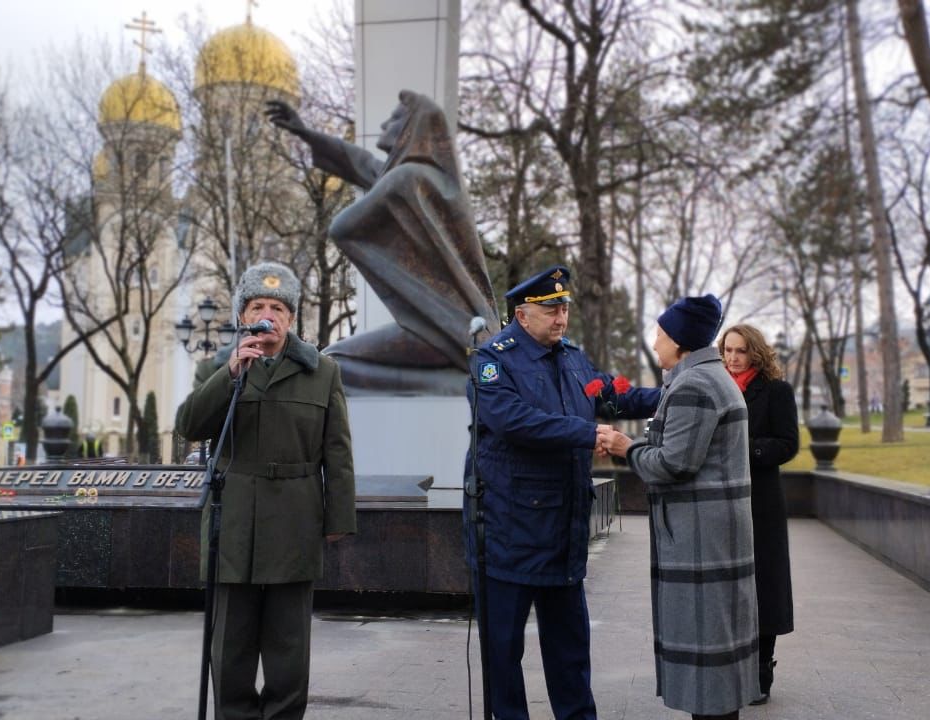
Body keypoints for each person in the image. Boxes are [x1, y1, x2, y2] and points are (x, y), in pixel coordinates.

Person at [467, 265, 659, 720]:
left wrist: (671, 392)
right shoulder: (492, 361)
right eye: (551, 309)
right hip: (508, 531)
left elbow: (612, 392)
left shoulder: (572, 358)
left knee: (570, 651)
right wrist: (585, 432)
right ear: (522, 314)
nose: (561, 318)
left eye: (565, 308)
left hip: (563, 531)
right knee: (503, 653)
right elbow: (512, 420)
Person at [174, 262, 356, 720]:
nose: (268, 315)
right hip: (234, 523)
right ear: (242, 315)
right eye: (258, 305)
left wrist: (339, 520)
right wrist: (231, 373)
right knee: (230, 649)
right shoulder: (218, 369)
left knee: (288, 651)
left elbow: (337, 452)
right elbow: (189, 426)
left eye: (278, 307)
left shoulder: (322, 372)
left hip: (295, 521)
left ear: (292, 319)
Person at [265, 90, 498, 393]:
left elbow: (342, 227)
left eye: (396, 118)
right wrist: (305, 133)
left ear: (410, 129)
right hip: (456, 328)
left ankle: (450, 387)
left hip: (440, 330)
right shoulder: (423, 179)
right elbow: (362, 164)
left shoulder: (406, 179)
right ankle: (452, 387)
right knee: (334, 366)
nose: (386, 122)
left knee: (331, 363)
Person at [601, 295, 758, 720]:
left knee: (707, 645)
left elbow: (673, 463)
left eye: (660, 335)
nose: (655, 344)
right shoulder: (705, 378)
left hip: (700, 536)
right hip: (706, 531)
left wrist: (624, 447)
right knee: (714, 643)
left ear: (681, 342)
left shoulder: (695, 385)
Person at [718, 324, 798, 705]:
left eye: (740, 351)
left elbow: (787, 444)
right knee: (729, 588)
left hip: (762, 501)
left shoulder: (777, 391)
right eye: (728, 350)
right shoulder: (716, 388)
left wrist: (741, 448)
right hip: (721, 502)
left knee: (764, 585)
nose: (733, 358)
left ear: (756, 353)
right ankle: (733, 666)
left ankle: (762, 667)